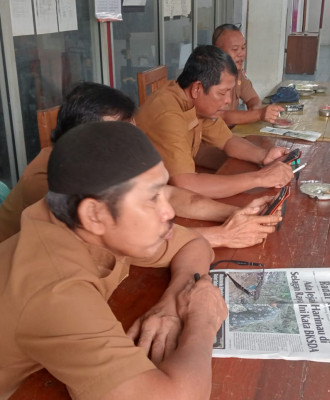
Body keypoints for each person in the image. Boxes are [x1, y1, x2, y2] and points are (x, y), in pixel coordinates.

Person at [0, 121, 227, 400]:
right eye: (152, 198)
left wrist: (173, 300)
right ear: (94, 215)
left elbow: (195, 244)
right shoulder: (55, 289)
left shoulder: (82, 221)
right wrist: (203, 319)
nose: (168, 211)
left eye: (164, 193)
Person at [0, 82, 282, 248]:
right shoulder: (56, 178)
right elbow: (118, 242)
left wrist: (232, 213)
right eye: (122, 135)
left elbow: (166, 193)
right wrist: (221, 235)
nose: (133, 142)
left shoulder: (107, 160)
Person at [135, 45, 294, 199]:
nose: (228, 100)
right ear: (197, 88)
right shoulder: (168, 114)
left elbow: (227, 141)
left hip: (171, 186)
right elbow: (186, 184)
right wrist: (259, 178)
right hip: (145, 198)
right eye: (222, 93)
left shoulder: (193, 102)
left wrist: (264, 155)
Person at [212, 23, 284, 127]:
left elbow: (252, 98)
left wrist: (255, 109)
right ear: (217, 52)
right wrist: (258, 114)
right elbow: (221, 116)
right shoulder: (211, 76)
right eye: (235, 49)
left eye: (243, 48)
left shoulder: (237, 73)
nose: (241, 54)